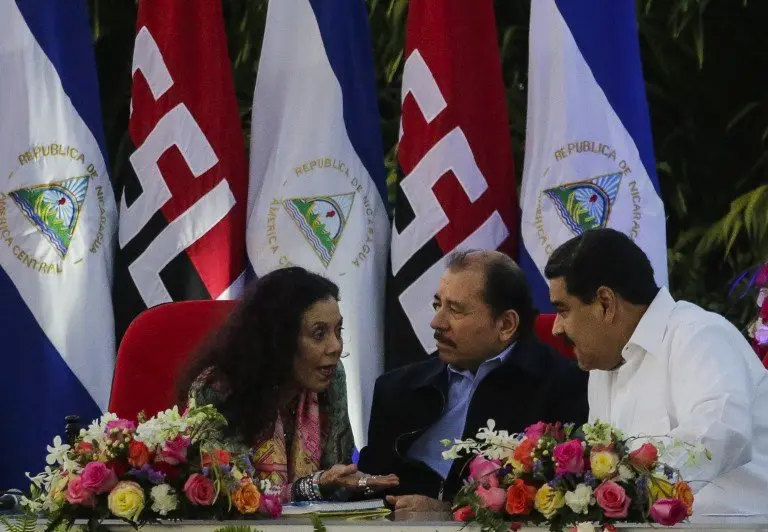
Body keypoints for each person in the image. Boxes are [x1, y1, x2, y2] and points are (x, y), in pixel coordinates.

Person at [544, 228, 768, 516]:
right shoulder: (603, 365)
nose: (556, 328)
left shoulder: (698, 334)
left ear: (605, 303)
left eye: (563, 311)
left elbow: (722, 431)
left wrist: (631, 486)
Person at [358, 250, 589, 513]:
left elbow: (560, 504)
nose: (436, 322)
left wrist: (449, 514)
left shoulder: (564, 388)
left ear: (506, 324)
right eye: (437, 305)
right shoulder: (395, 389)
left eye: (455, 310)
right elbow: (367, 497)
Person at [176, 267, 398, 502]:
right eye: (319, 334)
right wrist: (314, 486)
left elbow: (337, 478)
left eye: (338, 330)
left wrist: (365, 486)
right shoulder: (218, 388)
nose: (335, 347)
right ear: (280, 339)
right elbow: (233, 496)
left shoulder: (331, 377)